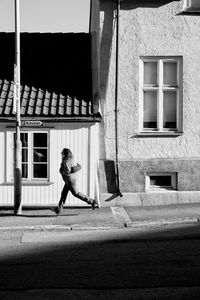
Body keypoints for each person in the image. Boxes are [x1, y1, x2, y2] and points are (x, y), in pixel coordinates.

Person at [54, 148, 97, 214]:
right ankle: (59, 209)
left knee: (76, 193)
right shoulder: (70, 158)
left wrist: (61, 170)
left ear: (65, 153)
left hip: (69, 180)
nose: (61, 153)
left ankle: (92, 201)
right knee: (64, 193)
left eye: (62, 152)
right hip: (70, 179)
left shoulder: (65, 161)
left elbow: (67, 170)